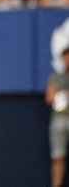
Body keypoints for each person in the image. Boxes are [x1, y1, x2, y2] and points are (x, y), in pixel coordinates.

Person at [46, 47, 69, 187]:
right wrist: (62, 95)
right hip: (59, 120)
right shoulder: (55, 78)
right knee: (58, 155)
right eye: (66, 57)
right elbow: (49, 98)